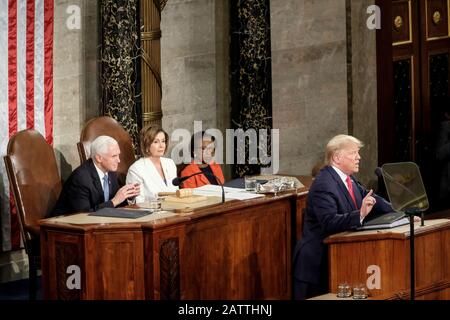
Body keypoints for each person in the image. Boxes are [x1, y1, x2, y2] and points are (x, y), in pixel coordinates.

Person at [293, 134, 393, 300]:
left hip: (337, 262)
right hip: (316, 267)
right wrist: (360, 214)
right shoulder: (324, 184)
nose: (359, 157)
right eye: (353, 153)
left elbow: (371, 199)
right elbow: (329, 222)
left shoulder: (349, 179)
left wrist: (400, 213)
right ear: (337, 157)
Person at [52, 135, 140, 215]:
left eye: (118, 155)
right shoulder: (80, 178)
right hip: (65, 227)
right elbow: (83, 215)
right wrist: (114, 201)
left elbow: (116, 204)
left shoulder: (111, 172)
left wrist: (129, 196)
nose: (118, 160)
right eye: (114, 156)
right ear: (99, 158)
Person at [126, 124, 178, 203]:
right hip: (151, 212)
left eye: (163, 141)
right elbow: (138, 203)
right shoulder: (136, 169)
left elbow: (176, 192)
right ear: (146, 145)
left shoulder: (170, 163)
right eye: (156, 142)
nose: (161, 146)